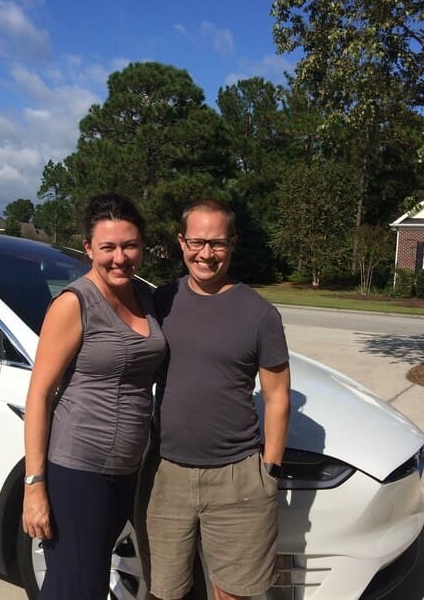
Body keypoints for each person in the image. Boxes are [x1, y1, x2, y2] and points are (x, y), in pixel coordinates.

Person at [140, 198, 291, 600]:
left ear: (233, 244)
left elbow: (277, 397)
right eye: (197, 241)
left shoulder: (260, 314)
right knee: (164, 591)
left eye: (217, 243)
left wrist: (269, 471)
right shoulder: (161, 302)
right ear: (181, 242)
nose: (206, 254)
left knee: (233, 594)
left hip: (237, 477)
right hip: (166, 473)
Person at [22, 193, 167, 599]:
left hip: (125, 470)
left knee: (78, 580)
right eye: (108, 247)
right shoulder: (75, 303)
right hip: (78, 469)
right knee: (78, 585)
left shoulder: (147, 297)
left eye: (129, 245)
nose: (119, 257)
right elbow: (38, 394)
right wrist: (35, 485)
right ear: (88, 248)